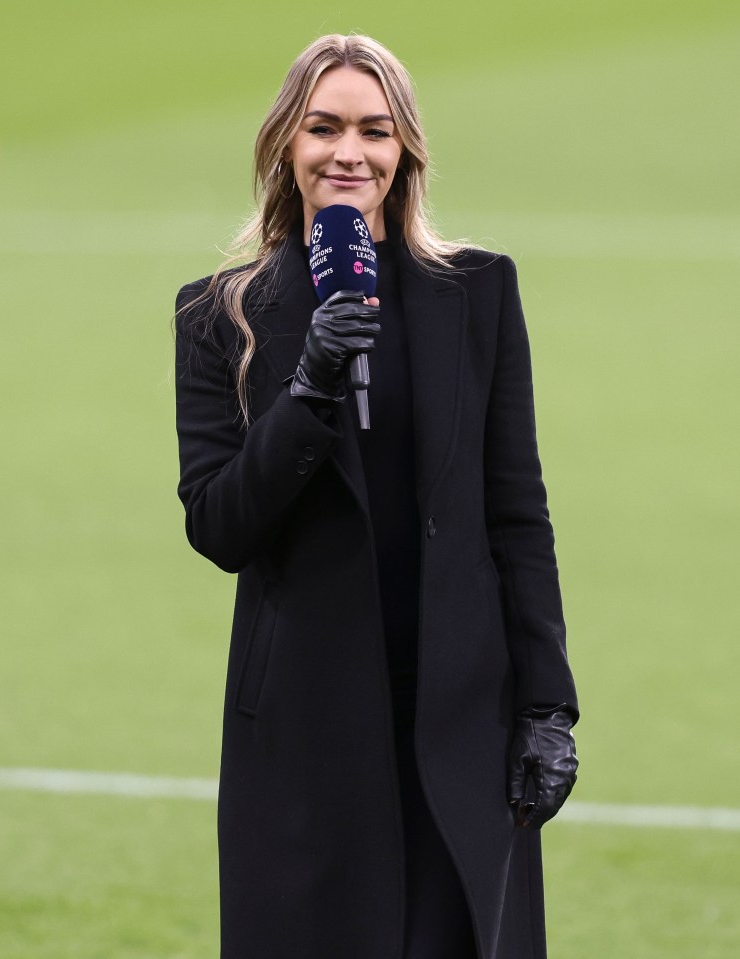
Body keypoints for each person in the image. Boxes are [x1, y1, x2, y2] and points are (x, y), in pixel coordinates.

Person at [174, 33, 579, 959]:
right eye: (322, 128)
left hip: (464, 712)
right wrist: (310, 387)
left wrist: (549, 706)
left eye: (373, 129)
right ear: (286, 143)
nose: (347, 152)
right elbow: (221, 523)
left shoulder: (477, 291)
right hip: (308, 724)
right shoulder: (219, 312)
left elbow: (517, 512)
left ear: (405, 153)